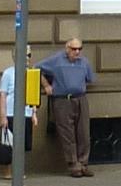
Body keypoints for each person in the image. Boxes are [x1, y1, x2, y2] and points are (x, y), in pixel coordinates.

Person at [37, 37, 95, 177]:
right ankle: (73, 164)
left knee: (83, 133)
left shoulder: (84, 62)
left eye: (79, 49)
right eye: (74, 49)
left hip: (80, 99)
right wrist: (46, 85)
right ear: (67, 48)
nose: (77, 52)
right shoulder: (56, 60)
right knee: (67, 134)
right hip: (62, 100)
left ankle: (83, 163)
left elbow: (89, 79)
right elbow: (36, 69)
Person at [0, 45, 39, 179]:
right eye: (24, 55)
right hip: (11, 113)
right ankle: (8, 171)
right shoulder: (8, 73)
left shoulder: (31, 73)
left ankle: (19, 170)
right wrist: (3, 116)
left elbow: (33, 95)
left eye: (29, 55)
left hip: (26, 113)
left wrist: (34, 113)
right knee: (9, 143)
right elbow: (3, 95)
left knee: (23, 144)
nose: (27, 58)